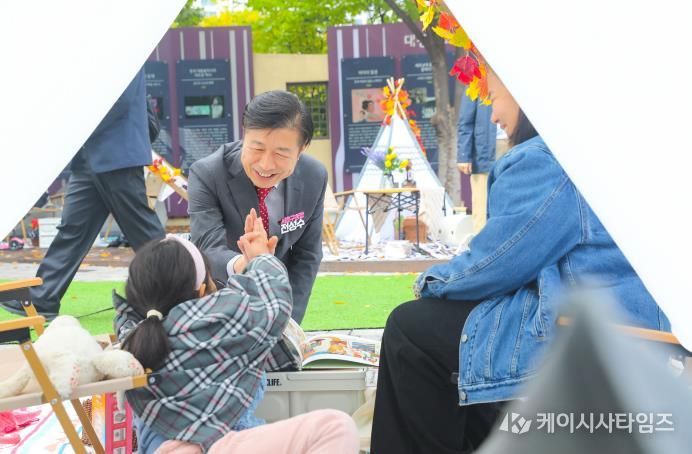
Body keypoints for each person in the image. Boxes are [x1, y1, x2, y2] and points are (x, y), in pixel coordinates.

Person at [369, 69, 671, 454]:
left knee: (410, 327)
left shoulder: (547, 160)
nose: (493, 115)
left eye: (495, 98)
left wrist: (429, 283)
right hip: (636, 328)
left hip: (592, 335)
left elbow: (496, 262)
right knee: (454, 344)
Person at [114, 228, 358, 453]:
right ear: (202, 291)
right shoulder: (218, 320)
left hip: (159, 447)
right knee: (336, 427)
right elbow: (272, 299)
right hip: (222, 444)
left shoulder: (132, 337)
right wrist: (261, 257)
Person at [0, 68, 165, 320]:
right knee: (72, 229)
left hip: (117, 154)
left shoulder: (119, 51)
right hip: (93, 155)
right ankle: (43, 298)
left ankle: (180, 290)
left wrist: (72, 123)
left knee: (142, 231)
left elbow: (117, 101)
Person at [188, 90, 327, 323]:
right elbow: (208, 247)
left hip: (278, 300)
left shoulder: (314, 176)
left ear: (302, 148)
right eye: (257, 148)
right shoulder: (208, 174)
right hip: (218, 301)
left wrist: (287, 321)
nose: (265, 164)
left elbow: (307, 255)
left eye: (281, 153)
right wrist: (248, 263)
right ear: (245, 134)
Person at [457, 95, 497, 234]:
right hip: (483, 151)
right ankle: (481, 241)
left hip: (514, 145)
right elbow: (465, 122)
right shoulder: (476, 83)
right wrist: (464, 155)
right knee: (481, 206)